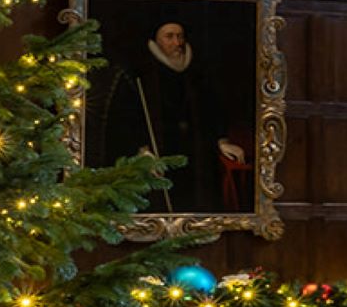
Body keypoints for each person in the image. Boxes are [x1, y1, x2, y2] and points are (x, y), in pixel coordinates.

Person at [98, 21, 249, 214]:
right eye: (169, 37)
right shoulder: (140, 74)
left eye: (180, 36)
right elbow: (123, 120)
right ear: (156, 41)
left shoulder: (196, 72)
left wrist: (221, 140)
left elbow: (213, 111)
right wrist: (141, 151)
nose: (177, 42)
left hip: (195, 160)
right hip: (156, 156)